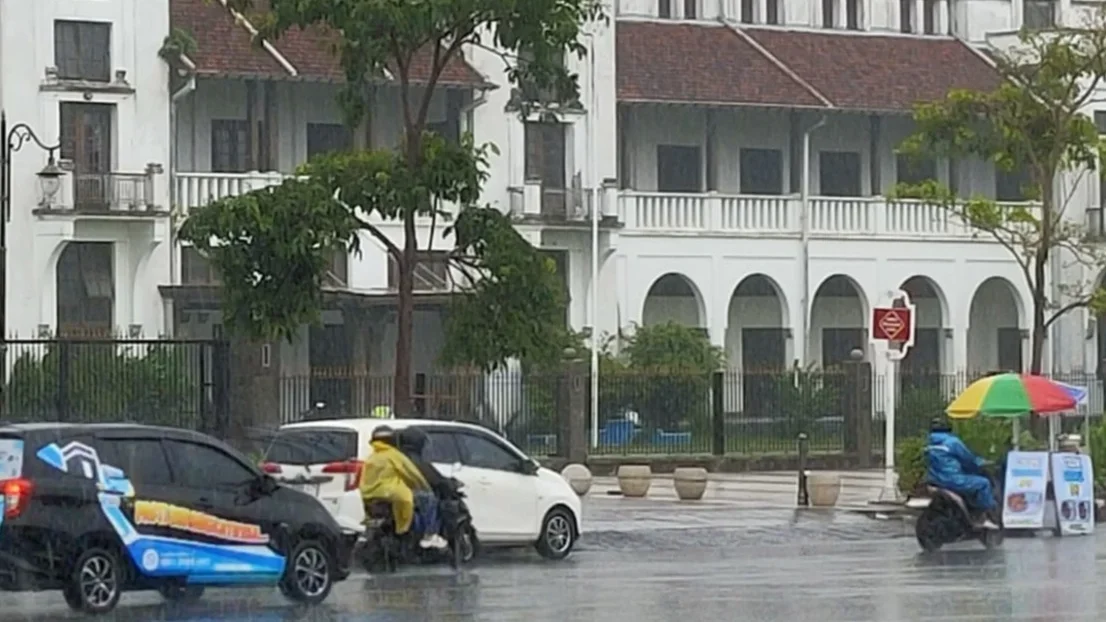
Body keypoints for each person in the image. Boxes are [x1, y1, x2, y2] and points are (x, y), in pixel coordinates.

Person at [358, 426, 446, 549]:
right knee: (428, 499)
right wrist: (424, 487)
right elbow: (412, 474)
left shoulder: (371, 458)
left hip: (370, 495)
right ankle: (429, 535)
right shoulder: (394, 456)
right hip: (392, 494)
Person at [924, 417, 999, 529]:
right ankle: (985, 517)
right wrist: (979, 464)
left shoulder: (930, 444)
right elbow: (968, 459)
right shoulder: (953, 442)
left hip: (935, 480)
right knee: (984, 483)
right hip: (954, 480)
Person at [395, 427, 450, 549]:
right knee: (430, 500)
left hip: (391, 492)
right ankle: (430, 533)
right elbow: (431, 476)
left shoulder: (397, 456)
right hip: (407, 493)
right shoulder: (414, 459)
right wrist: (445, 482)